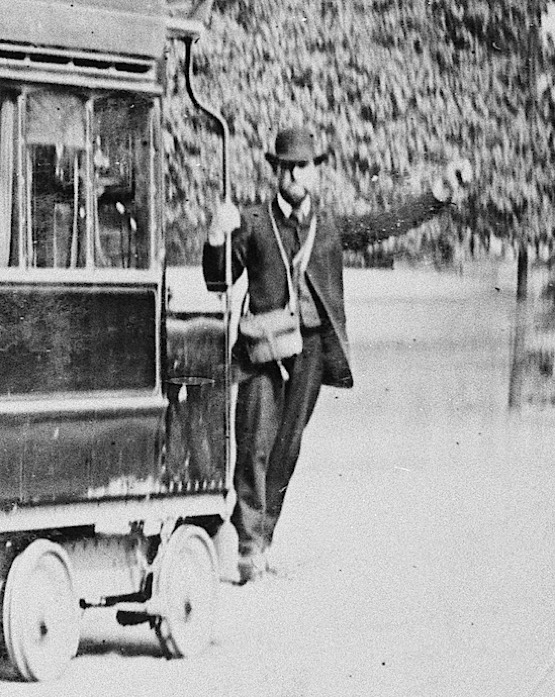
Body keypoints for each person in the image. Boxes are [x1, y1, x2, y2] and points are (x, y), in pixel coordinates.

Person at [203, 125, 467, 583]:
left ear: (315, 173)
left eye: (303, 167)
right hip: (260, 353)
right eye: (286, 167)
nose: (295, 176)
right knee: (253, 445)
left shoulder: (329, 227)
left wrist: (437, 195)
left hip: (309, 353)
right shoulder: (254, 221)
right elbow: (217, 280)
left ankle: (263, 539)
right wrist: (215, 237)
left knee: (286, 450)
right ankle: (246, 546)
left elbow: (384, 224)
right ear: (275, 171)